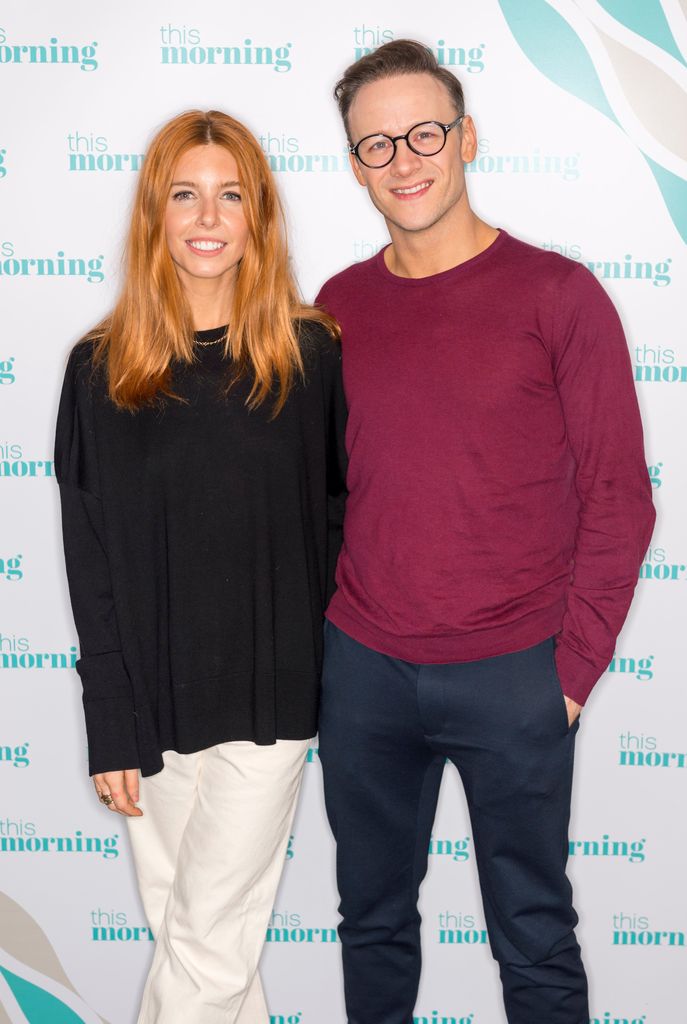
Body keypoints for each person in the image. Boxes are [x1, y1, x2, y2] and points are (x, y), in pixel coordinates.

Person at [315, 40, 655, 1024]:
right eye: (376, 143)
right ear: (353, 163)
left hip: (517, 670)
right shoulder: (334, 307)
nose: (404, 158)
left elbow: (618, 495)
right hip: (364, 669)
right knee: (370, 923)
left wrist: (573, 672)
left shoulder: (558, 294)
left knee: (535, 931)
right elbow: (328, 491)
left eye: (425, 132)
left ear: (467, 138)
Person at [55, 109, 346, 1024]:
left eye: (230, 195)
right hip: (152, 705)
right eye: (185, 194)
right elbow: (87, 554)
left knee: (204, 945)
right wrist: (109, 715)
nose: (208, 216)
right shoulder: (99, 370)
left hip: (274, 696)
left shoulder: (311, 355)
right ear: (155, 215)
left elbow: (340, 524)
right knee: (205, 946)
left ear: (257, 216)